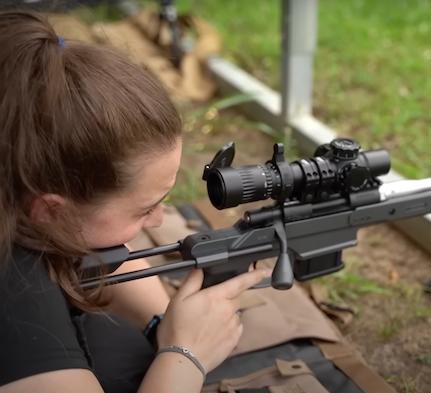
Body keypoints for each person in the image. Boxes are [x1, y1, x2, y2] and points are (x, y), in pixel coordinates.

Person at [0, 10, 267, 393]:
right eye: (144, 208)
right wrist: (187, 354)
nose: (158, 219)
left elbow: (95, 251)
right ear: (51, 210)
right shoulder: (16, 298)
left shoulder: (20, 188)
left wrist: (161, 322)